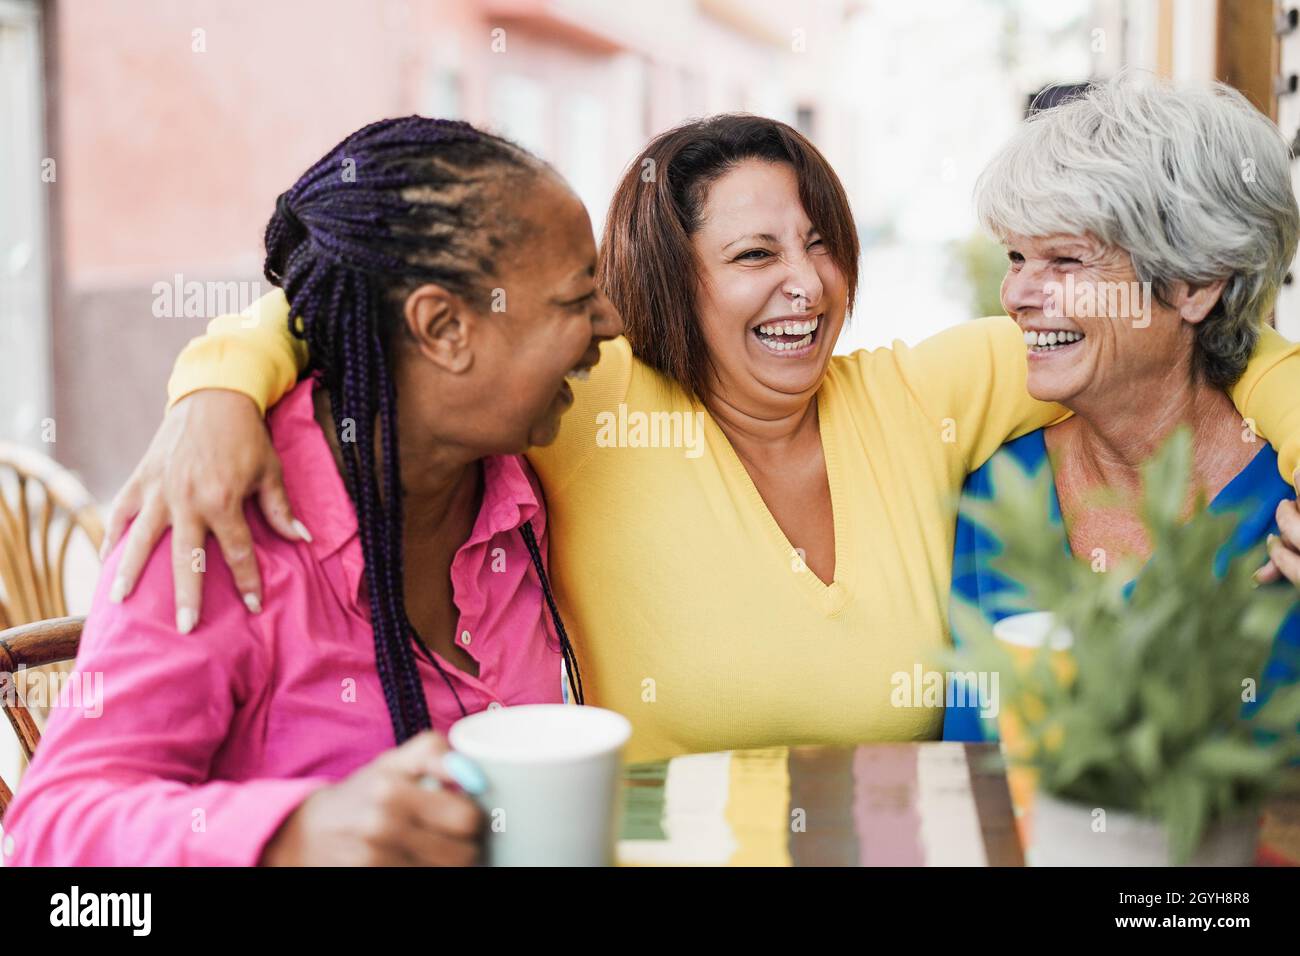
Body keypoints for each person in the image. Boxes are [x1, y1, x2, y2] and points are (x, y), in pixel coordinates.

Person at [102, 100, 1300, 763]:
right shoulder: (580, 403)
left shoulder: (934, 388)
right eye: (752, 254)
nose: (806, 283)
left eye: (819, 238)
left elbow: (1222, 352)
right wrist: (216, 378)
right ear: (663, 282)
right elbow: (371, 301)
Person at [2, 116, 622, 865]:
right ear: (445, 327)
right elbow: (47, 833)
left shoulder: (519, 478)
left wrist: (222, 373)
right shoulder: (216, 518)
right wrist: (295, 833)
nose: (609, 324)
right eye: (576, 300)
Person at [946, 76, 1300, 740]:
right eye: (1016, 256)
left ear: (1195, 284)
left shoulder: (1287, 503)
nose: (1018, 291)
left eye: (1066, 260)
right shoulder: (992, 491)